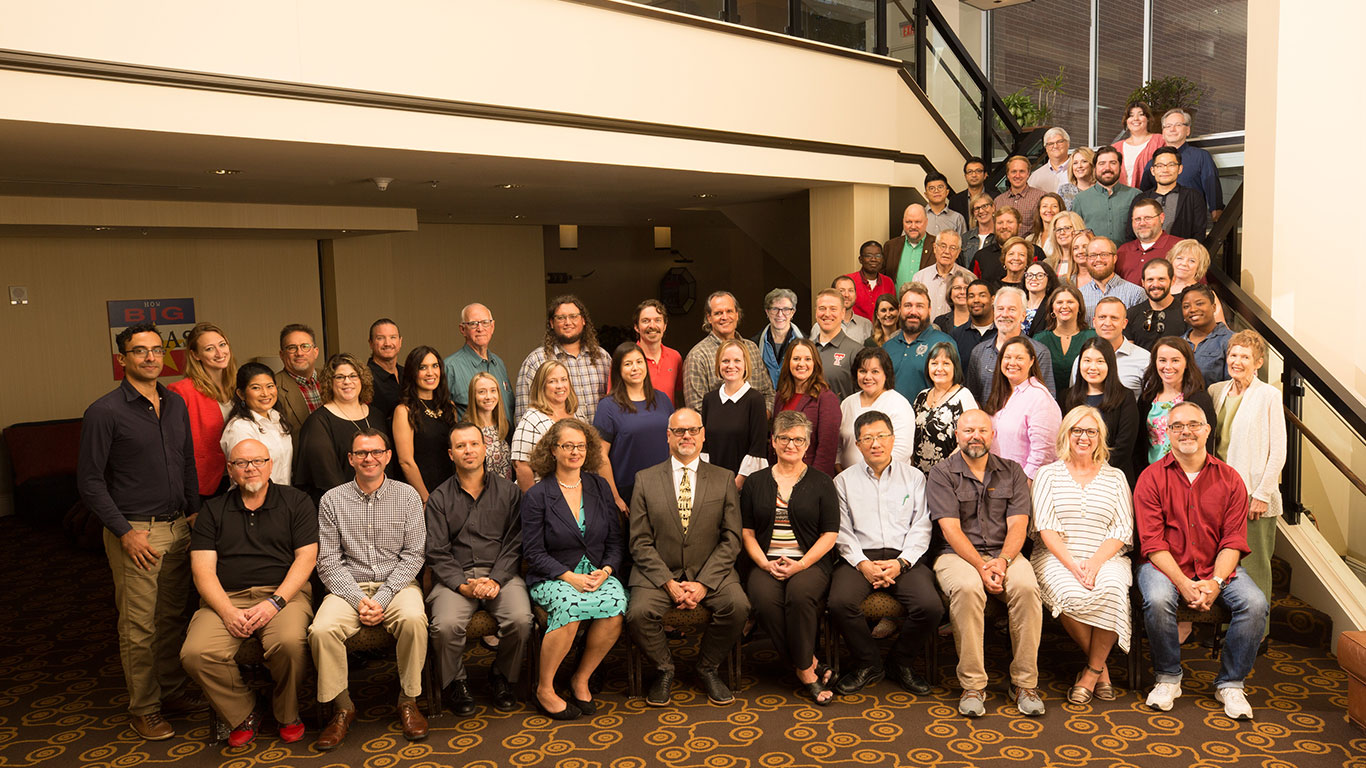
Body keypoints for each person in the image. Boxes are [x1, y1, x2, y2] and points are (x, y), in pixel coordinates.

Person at [77, 324, 198, 740]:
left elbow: (186, 461)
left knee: (170, 618)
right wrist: (124, 532)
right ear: (122, 359)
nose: (150, 358)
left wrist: (194, 511)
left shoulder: (174, 402)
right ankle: (144, 708)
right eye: (139, 351)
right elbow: (90, 481)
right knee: (139, 626)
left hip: (178, 526)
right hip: (137, 534)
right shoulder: (105, 411)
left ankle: (171, 690)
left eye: (155, 350)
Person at [1134, 401, 1268, 720]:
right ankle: (1168, 678)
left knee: (1256, 603)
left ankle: (1231, 684)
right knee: (1156, 597)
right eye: (1177, 426)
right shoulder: (1151, 478)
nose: (1186, 432)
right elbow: (1152, 543)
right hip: (1164, 566)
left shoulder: (1231, 479)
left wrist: (1216, 583)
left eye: (1193, 424)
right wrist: (1182, 582)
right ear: (1167, 433)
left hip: (1215, 567)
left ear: (1207, 430)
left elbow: (1233, 541)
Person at [180, 439, 317, 746]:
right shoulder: (213, 511)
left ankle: (287, 712)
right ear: (230, 470)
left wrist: (274, 603)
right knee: (195, 653)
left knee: (291, 644)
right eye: (242, 463)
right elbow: (202, 571)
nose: (251, 468)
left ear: (271, 465)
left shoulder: (297, 502)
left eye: (258, 461)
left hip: (284, 595)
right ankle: (243, 712)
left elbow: (307, 558)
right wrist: (227, 612)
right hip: (225, 598)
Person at [309, 429, 428, 750]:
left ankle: (408, 700)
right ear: (350, 459)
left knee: (415, 619)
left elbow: (414, 555)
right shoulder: (332, 500)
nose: (369, 458)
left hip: (398, 584)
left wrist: (385, 597)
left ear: (388, 456)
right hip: (349, 586)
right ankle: (342, 707)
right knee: (321, 630)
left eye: (376, 452)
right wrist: (359, 599)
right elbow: (329, 562)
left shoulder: (408, 496)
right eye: (361, 453)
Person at [627, 408, 750, 707]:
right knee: (638, 614)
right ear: (668, 436)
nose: (686, 436)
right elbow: (639, 541)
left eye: (693, 430)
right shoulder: (644, 479)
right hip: (658, 573)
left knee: (738, 606)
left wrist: (704, 583)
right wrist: (668, 582)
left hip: (711, 572)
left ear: (703, 435)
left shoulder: (723, 479)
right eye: (680, 431)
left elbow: (731, 538)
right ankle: (664, 669)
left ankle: (707, 667)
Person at [927, 410, 1043, 718]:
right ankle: (973, 685)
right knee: (967, 589)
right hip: (955, 555)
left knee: (1027, 587)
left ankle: (1024, 684)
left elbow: (1019, 524)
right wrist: (981, 565)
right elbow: (950, 530)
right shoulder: (941, 473)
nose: (975, 436)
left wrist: (1003, 562)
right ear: (957, 436)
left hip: (1006, 553)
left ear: (992, 436)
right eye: (968, 431)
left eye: (982, 430)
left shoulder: (1013, 471)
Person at [829, 411, 943, 696]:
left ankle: (900, 662)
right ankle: (869, 664)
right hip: (859, 557)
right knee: (840, 602)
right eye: (867, 438)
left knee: (931, 606)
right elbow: (841, 530)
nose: (875, 443)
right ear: (857, 444)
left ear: (893, 439)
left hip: (904, 556)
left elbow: (922, 525)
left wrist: (901, 562)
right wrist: (863, 564)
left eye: (881, 436)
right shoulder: (843, 481)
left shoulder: (914, 477)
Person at [521, 418, 627, 719]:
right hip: (554, 574)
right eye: (568, 446)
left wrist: (606, 571)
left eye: (580, 446)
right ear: (553, 450)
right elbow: (533, 552)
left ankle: (580, 678)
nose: (575, 452)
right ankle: (545, 688)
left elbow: (616, 542)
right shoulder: (537, 496)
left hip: (596, 573)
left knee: (616, 604)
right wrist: (569, 577)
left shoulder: (600, 487)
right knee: (570, 607)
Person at [424, 422, 530, 717]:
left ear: (485, 449)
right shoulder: (439, 498)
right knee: (444, 626)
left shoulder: (510, 492)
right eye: (460, 446)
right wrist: (463, 585)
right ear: (450, 454)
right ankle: (456, 681)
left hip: (502, 573)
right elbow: (437, 552)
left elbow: (515, 542)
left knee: (521, 620)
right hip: (454, 577)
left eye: (473, 444)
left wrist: (496, 579)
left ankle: (501, 675)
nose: (468, 451)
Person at [1029, 406, 1133, 705]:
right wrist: (1074, 566)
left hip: (1106, 556)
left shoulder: (1116, 477)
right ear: (1066, 434)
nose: (1083, 437)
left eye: (1091, 431)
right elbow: (1045, 527)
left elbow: (1123, 527)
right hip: (1057, 556)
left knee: (1112, 589)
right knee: (1071, 593)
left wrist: (1096, 563)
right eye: (1077, 430)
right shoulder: (1047, 474)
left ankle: (1090, 672)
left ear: (1100, 437)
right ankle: (1102, 670)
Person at [741, 411, 841, 705]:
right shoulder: (755, 483)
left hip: (809, 562)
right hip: (765, 560)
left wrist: (802, 564)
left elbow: (830, 534)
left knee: (799, 596)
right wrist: (763, 563)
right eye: (784, 438)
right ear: (772, 442)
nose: (791, 444)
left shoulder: (822, 482)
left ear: (807, 444)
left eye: (798, 439)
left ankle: (804, 672)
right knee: (764, 599)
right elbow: (747, 533)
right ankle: (808, 665)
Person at [1209, 330, 1286, 646]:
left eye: (1245, 357)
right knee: (1224, 564)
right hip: (1220, 495)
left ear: (1258, 362)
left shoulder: (1268, 395)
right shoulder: (1216, 391)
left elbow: (1278, 449)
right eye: (1233, 355)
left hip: (1254, 495)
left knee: (1254, 565)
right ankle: (1226, 626)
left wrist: (1263, 493)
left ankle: (1257, 633)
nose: (1237, 361)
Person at [294, 353, 387, 505]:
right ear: (329, 383)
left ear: (362, 380)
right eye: (340, 377)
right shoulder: (318, 422)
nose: (347, 382)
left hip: (382, 502)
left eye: (353, 376)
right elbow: (328, 478)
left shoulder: (377, 416)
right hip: (342, 506)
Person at [594, 342, 673, 512]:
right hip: (628, 493)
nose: (635, 368)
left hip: (665, 490)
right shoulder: (607, 406)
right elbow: (600, 456)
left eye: (639, 362)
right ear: (618, 371)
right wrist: (615, 497)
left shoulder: (663, 400)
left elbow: (674, 444)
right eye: (628, 364)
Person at [168, 321, 238, 499]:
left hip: (239, 479)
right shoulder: (182, 391)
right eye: (209, 349)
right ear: (195, 355)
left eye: (222, 345)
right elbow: (172, 445)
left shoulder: (240, 386)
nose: (220, 353)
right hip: (204, 483)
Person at [515, 295, 611, 423]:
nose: (568, 322)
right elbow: (523, 415)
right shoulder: (535, 361)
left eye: (573, 316)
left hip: (600, 441)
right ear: (552, 323)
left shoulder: (602, 358)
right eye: (561, 318)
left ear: (583, 320)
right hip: (557, 441)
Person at [1134, 336, 1216, 479]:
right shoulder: (1147, 398)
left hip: (1189, 477)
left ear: (1186, 363)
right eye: (1162, 360)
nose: (1168, 366)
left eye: (1175, 360)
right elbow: (1139, 444)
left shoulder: (1199, 399)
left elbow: (1206, 444)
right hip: (1153, 476)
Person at [982, 337, 1061, 480]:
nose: (1012, 363)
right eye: (1007, 357)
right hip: (997, 481)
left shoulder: (1039, 397)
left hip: (1022, 486)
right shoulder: (1001, 394)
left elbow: (1043, 454)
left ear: (1031, 361)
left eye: (1019, 358)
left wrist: (1023, 486)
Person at [1063, 338, 1139, 485]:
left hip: (1112, 478)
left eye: (1100, 361)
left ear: (1110, 364)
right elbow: (1062, 442)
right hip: (1072, 479)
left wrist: (1094, 472)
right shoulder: (1066, 398)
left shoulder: (1125, 398)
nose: (1092, 367)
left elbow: (1124, 447)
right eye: (1087, 361)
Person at [683, 291, 774, 412]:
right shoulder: (698, 356)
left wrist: (757, 420)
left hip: (756, 428)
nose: (724, 317)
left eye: (729, 311)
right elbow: (696, 409)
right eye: (718, 313)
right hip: (718, 430)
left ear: (737, 314)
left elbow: (769, 395)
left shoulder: (752, 349)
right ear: (709, 318)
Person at [965, 287, 1057, 402]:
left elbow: (1047, 401)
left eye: (1012, 309)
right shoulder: (979, 352)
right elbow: (972, 399)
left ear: (1023, 315)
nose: (1004, 314)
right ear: (994, 313)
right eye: (1000, 309)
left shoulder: (1039, 352)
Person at [699, 340, 770, 488]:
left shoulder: (755, 400)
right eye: (725, 361)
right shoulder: (709, 399)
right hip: (712, 483)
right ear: (719, 365)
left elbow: (758, 448)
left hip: (744, 485)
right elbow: (704, 445)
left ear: (745, 365)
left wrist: (736, 484)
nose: (731, 366)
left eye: (737, 360)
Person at [392, 346, 457, 502]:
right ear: (413, 373)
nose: (430, 373)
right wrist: (426, 499)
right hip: (422, 494)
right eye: (423, 367)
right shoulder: (404, 411)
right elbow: (406, 462)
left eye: (435, 366)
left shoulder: (450, 407)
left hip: (451, 491)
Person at [838, 346, 915, 470]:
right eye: (863, 371)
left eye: (875, 371)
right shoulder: (847, 403)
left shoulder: (899, 404)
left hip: (888, 481)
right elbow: (838, 447)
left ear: (886, 374)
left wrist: (867, 475)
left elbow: (902, 451)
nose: (868, 377)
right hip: (847, 481)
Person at [1140, 108, 1223, 221]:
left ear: (1188, 130)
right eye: (1168, 126)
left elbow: (1212, 189)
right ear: (1163, 133)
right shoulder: (1153, 163)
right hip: (1159, 225)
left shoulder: (1201, 157)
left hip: (1191, 221)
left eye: (1178, 125)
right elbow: (1145, 196)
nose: (1172, 129)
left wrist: (1216, 215)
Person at [773, 339, 841, 477]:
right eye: (796, 359)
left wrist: (813, 482)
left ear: (815, 363)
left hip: (809, 476)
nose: (801, 364)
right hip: (781, 475)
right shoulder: (781, 396)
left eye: (808, 359)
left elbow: (827, 449)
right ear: (788, 363)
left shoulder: (826, 398)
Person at [511, 360, 581, 492]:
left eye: (563, 379)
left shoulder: (577, 414)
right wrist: (534, 502)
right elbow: (521, 465)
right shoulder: (532, 418)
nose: (560, 386)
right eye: (552, 381)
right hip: (543, 496)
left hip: (573, 493)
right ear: (541, 386)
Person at [910, 342, 978, 473]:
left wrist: (943, 472)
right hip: (919, 477)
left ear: (955, 367)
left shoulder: (963, 396)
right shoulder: (921, 396)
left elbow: (971, 440)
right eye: (934, 363)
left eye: (946, 363)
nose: (939, 368)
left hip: (951, 477)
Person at [220, 362, 292, 485]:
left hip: (283, 497)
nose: (265, 393)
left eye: (270, 386)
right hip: (257, 500)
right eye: (256, 388)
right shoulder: (239, 428)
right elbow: (245, 477)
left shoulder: (277, 417)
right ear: (241, 394)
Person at [883, 282, 955, 404]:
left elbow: (953, 392)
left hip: (928, 419)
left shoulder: (943, 343)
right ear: (900, 309)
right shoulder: (888, 347)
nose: (913, 311)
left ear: (929, 310)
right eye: (908, 305)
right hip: (891, 419)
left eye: (920, 306)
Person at [444, 303, 515, 419]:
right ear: (463, 329)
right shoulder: (450, 367)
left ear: (492, 326)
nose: (480, 329)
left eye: (485, 322)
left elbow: (509, 406)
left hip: (505, 436)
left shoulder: (499, 364)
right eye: (473, 324)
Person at [1072, 297, 1152, 397]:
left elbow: (1149, 404)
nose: (1107, 323)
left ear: (1124, 323)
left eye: (1114, 318)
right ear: (1094, 322)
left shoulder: (1144, 359)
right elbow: (1074, 399)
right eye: (1102, 317)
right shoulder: (1082, 360)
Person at [1133, 146, 1209, 240]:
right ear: (1153, 170)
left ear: (1180, 169)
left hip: (1181, 253)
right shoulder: (1140, 199)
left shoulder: (1193, 197)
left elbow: (1199, 234)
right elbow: (1131, 234)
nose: (1165, 170)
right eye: (1160, 166)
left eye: (1171, 165)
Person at [1033, 285, 1096, 394]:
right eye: (1059, 302)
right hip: (1048, 402)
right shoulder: (1039, 339)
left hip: (1084, 403)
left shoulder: (1093, 337)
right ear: (1052, 308)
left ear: (1080, 307)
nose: (1065, 306)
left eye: (1070, 302)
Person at [1072, 146, 1140, 245]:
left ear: (1120, 166)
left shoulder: (1135, 195)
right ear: (1095, 168)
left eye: (1113, 163)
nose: (1107, 168)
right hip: (1093, 258)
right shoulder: (1080, 199)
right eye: (1102, 163)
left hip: (1129, 257)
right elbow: (1076, 236)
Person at [810, 288, 864, 401]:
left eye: (833, 309)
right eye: (822, 308)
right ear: (816, 312)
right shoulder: (807, 350)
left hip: (842, 418)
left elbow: (863, 396)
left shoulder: (856, 351)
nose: (827, 314)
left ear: (843, 312)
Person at [275, 323, 322, 446]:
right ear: (281, 355)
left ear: (316, 352)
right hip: (300, 462)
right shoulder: (273, 388)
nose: (299, 353)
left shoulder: (334, 378)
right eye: (292, 348)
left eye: (305, 346)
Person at [972, 207, 1045, 285]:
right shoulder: (981, 256)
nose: (1004, 226)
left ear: (1019, 225)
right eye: (1000, 223)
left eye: (1009, 222)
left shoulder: (1035, 252)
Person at [1079, 237, 1146, 322]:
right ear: (1087, 259)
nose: (1098, 259)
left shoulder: (1136, 294)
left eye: (1104, 254)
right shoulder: (1079, 296)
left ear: (1114, 258)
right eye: (1093, 255)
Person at [1127, 258, 1188, 350]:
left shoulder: (1186, 313)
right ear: (1143, 283)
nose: (1155, 284)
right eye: (1150, 280)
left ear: (1172, 280)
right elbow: (1128, 355)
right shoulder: (1131, 314)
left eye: (1161, 279)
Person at [1117, 198, 1183, 284]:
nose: (1142, 223)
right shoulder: (1123, 250)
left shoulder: (1180, 247)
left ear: (1161, 218)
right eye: (1137, 219)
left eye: (1148, 218)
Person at [912, 230, 974, 321]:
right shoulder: (920, 278)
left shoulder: (969, 278)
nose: (947, 251)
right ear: (934, 248)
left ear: (958, 252)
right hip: (926, 332)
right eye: (943, 246)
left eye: (952, 248)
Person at [632, 299, 684, 405]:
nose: (652, 325)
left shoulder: (675, 357)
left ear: (664, 326)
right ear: (636, 327)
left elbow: (679, 395)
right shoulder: (625, 359)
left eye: (658, 320)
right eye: (645, 321)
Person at [753, 287, 804, 390]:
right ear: (767, 312)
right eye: (775, 309)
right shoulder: (754, 344)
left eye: (786, 309)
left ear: (793, 312)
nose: (780, 314)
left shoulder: (806, 343)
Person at [467, 371, 514, 481]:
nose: (488, 397)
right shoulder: (467, 430)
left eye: (493, 391)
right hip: (482, 494)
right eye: (482, 392)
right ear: (473, 395)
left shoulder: (506, 426)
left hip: (508, 492)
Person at [1182, 285, 1232, 386]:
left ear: (1214, 307)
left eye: (1199, 303)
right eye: (1186, 306)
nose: (1192, 309)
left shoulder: (1231, 341)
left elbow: (1233, 386)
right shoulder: (1178, 343)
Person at [1113, 100, 1166, 189]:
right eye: (1131, 115)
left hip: (1152, 198)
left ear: (1148, 119)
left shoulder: (1160, 141)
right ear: (1126, 120)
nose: (1136, 118)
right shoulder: (1115, 148)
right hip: (1122, 199)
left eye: (1141, 114)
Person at [883, 203, 937, 287]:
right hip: (896, 300)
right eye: (908, 222)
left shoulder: (937, 246)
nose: (913, 226)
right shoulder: (890, 246)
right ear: (903, 222)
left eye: (918, 222)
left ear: (926, 222)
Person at [813, 276, 875, 344]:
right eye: (841, 291)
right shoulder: (819, 326)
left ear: (856, 294)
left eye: (850, 290)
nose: (846, 295)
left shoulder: (866, 325)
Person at [366, 318, 405, 421]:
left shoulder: (408, 374)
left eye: (393, 337)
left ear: (400, 342)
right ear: (371, 343)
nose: (387, 343)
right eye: (380, 338)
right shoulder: (364, 377)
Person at [949, 279, 996, 364]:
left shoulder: (1002, 333)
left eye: (982, 295)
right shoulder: (956, 335)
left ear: (993, 299)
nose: (976, 300)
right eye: (971, 296)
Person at [994, 155, 1046, 232]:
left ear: (1028, 174)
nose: (1017, 176)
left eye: (1022, 171)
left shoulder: (1041, 198)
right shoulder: (998, 201)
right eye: (1014, 171)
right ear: (1008, 175)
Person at [848, 240, 896, 322]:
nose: (874, 259)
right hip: (855, 331)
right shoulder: (849, 281)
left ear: (882, 259)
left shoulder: (888, 282)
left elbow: (893, 310)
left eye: (878, 255)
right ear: (860, 259)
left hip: (882, 332)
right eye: (868, 255)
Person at [1021, 261, 1061, 335]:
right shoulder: (1018, 303)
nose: (1034, 278)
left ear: (1049, 279)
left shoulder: (1053, 307)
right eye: (1029, 275)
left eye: (1040, 275)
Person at [922, 171, 967, 236]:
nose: (936, 191)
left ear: (947, 192)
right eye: (931, 188)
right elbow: (905, 242)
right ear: (926, 194)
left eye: (940, 187)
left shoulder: (957, 218)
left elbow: (963, 244)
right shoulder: (917, 216)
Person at [1029, 127, 1071, 193]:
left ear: (1068, 144)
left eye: (1059, 142)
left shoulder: (1080, 170)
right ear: (1046, 148)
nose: (1055, 146)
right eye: (1050, 144)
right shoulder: (1036, 176)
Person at [961, 193, 997, 270]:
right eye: (977, 208)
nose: (981, 211)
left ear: (993, 208)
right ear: (973, 213)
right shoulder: (965, 238)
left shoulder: (1000, 237)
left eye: (985, 206)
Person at [1047, 211, 1085, 281]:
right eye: (1058, 229)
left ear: (1077, 229)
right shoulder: (1048, 263)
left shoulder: (1083, 260)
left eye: (1067, 228)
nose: (1062, 233)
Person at [948, 156, 988, 223]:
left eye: (978, 171)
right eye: (970, 172)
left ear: (985, 175)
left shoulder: (995, 198)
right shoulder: (955, 201)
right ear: (965, 176)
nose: (974, 175)